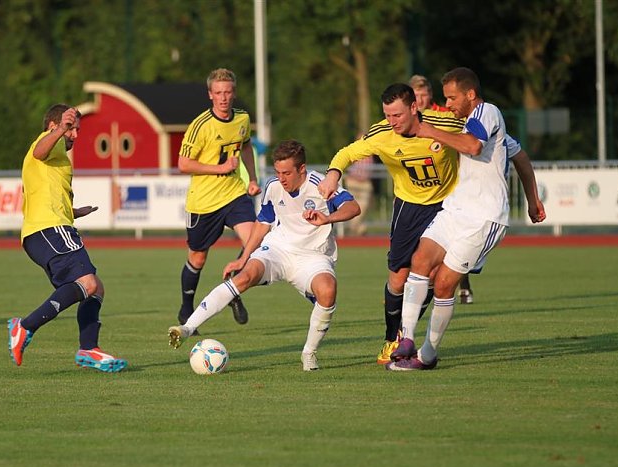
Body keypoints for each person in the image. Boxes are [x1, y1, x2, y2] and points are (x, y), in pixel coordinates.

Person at [387, 67, 546, 371]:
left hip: (484, 218)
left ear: (470, 95)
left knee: (445, 285)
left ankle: (428, 355)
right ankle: (406, 339)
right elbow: (521, 157)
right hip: (456, 210)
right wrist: (533, 199)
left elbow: (473, 146)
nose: (447, 104)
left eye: (452, 98)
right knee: (420, 260)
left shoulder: (488, 111)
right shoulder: (465, 124)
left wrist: (426, 130)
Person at [168, 140, 360, 371]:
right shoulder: (273, 186)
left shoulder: (319, 183)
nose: (282, 178)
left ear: (302, 169)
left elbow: (353, 207)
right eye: (278, 172)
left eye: (287, 172)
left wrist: (327, 218)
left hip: (313, 256)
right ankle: (187, 328)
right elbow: (263, 222)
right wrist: (243, 257)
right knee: (244, 276)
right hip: (278, 249)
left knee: (328, 291)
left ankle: (309, 353)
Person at [318, 83, 465, 365]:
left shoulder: (444, 122)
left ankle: (408, 335)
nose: (392, 122)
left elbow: (480, 134)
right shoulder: (381, 133)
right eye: (387, 115)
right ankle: (391, 338)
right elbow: (346, 153)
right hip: (408, 206)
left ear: (414, 108)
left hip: (447, 206)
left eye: (397, 115)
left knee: (434, 274)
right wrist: (333, 175)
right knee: (398, 279)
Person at [7, 104, 127, 373]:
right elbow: (39, 151)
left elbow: (45, 195)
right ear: (53, 126)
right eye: (71, 128)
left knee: (95, 288)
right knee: (87, 282)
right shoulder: (50, 142)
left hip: (46, 232)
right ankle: (24, 327)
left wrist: (74, 211)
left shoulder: (57, 158)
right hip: (50, 230)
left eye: (76, 130)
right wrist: (61, 129)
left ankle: (88, 348)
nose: (74, 135)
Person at [177, 68, 261, 331]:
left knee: (254, 243)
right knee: (197, 259)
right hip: (203, 202)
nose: (223, 98)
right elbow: (183, 164)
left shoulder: (243, 119)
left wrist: (253, 179)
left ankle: (232, 289)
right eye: (218, 93)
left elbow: (246, 145)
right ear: (210, 95)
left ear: (233, 93)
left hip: (235, 194)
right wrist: (220, 169)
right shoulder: (200, 126)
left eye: (228, 92)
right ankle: (186, 308)